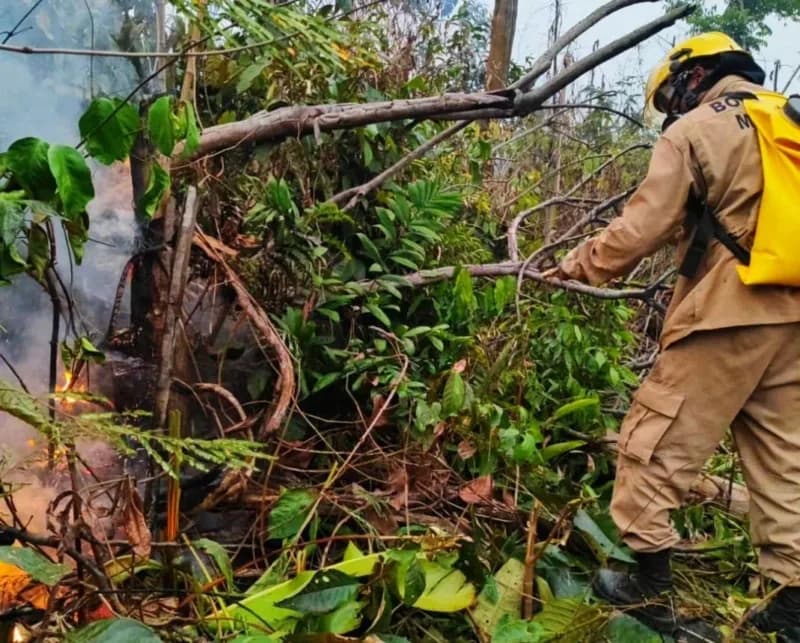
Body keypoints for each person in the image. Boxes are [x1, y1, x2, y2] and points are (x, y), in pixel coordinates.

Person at [545, 32, 800, 641]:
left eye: (669, 97)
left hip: (730, 311)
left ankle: (646, 586)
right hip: (795, 317)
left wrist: (576, 266)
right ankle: (791, 608)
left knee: (655, 438)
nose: (670, 110)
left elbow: (643, 226)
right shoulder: (787, 119)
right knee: (786, 460)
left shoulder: (696, 130)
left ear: (694, 75)